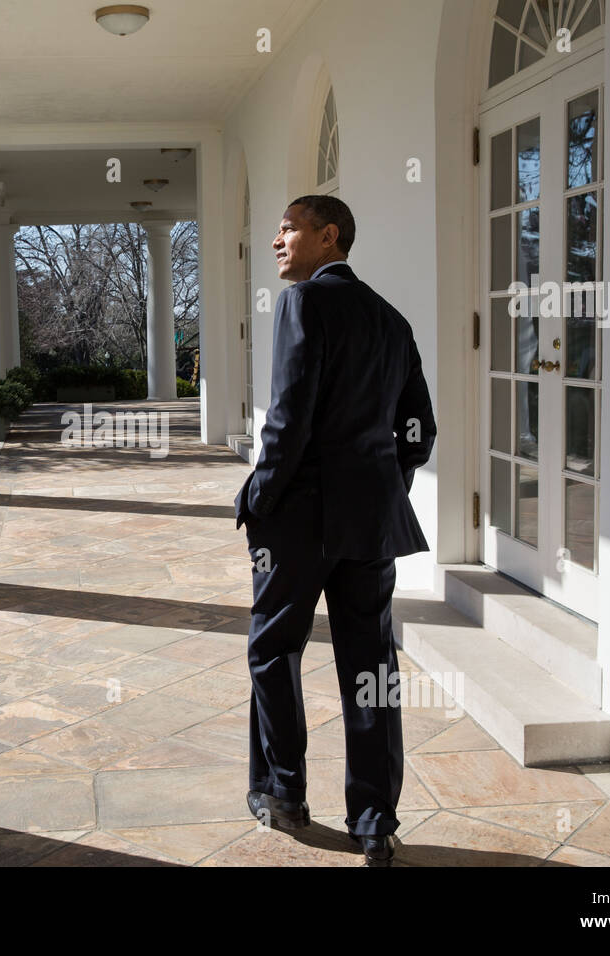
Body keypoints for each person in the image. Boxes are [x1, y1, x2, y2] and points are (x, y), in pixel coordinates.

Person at [234, 195, 436, 866]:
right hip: (371, 524)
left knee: (273, 650)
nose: (277, 241)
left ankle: (284, 794)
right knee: (371, 668)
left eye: (288, 228)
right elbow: (419, 432)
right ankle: (375, 822)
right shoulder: (393, 321)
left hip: (300, 521)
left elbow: (288, 419)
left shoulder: (304, 304)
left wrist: (259, 497)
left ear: (329, 236)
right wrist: (381, 487)